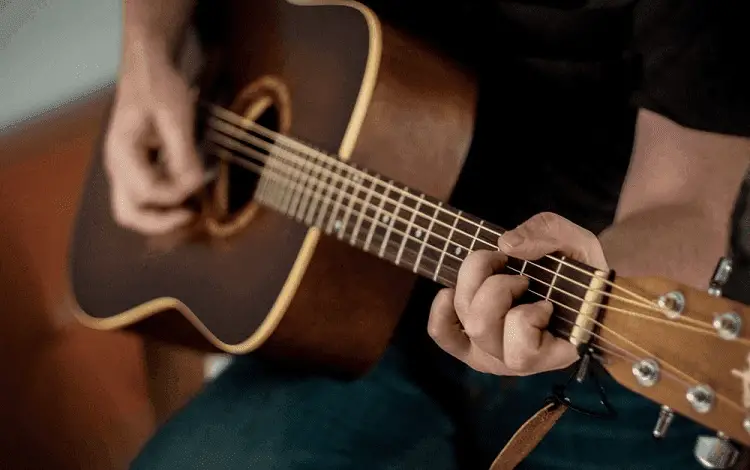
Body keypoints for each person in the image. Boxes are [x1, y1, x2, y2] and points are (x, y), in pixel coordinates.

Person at [105, 0, 750, 468]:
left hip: (595, 348)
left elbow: (691, 197)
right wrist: (148, 52)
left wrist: (600, 277)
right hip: (341, 317)